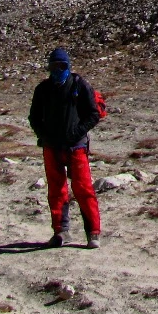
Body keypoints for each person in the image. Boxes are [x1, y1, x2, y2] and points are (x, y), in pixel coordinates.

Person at [28, 47, 102, 248]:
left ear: (67, 66)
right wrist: (43, 135)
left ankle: (93, 233)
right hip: (52, 148)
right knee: (56, 190)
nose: (57, 70)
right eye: (53, 66)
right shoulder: (42, 89)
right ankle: (61, 231)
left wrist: (77, 133)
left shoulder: (79, 85)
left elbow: (93, 114)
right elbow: (34, 117)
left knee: (83, 189)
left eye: (61, 66)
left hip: (76, 147)